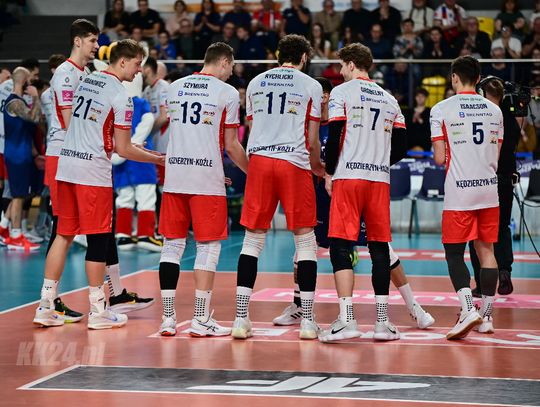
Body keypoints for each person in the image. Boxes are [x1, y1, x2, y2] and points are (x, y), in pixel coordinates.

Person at [274, 77, 434, 331]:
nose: (320, 100)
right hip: (321, 197)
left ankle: (414, 307)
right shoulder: (309, 126)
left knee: (384, 251)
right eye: (317, 96)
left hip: (350, 192)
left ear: (330, 97)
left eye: (324, 95)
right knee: (302, 251)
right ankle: (299, 306)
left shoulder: (346, 119)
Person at [35, 39, 164, 331]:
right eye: (137, 64)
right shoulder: (121, 96)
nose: (139, 71)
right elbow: (124, 148)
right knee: (97, 238)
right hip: (92, 172)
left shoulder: (87, 81)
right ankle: (98, 310)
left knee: (63, 235)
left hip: (66, 165)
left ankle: (45, 305)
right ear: (122, 61)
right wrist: (158, 159)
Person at [232, 34, 325, 340]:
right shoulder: (310, 85)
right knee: (305, 241)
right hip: (293, 162)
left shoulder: (256, 82)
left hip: (260, 160)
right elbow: (313, 140)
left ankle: (241, 319)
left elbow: (251, 127)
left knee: (252, 241)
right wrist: (318, 168)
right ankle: (308, 321)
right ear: (304, 58)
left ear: (277, 55)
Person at [158, 42, 249, 336]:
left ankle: (168, 318)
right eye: (231, 66)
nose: (231, 72)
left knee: (172, 245)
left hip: (175, 176)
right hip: (206, 180)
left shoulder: (175, 87)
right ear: (223, 62)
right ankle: (200, 318)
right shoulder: (227, 92)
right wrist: (253, 174)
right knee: (208, 247)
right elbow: (232, 145)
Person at [318, 43, 407, 343]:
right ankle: (382, 323)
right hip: (378, 179)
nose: (340, 71)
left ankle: (347, 320)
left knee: (340, 245)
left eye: (342, 66)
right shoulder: (390, 98)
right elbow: (402, 146)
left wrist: (330, 171)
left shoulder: (342, 92)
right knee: (379, 247)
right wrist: (378, 160)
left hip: (349, 176)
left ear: (352, 64)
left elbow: (335, 137)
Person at [430, 55, 503, 339]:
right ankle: (487, 317)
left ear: (454, 78)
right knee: (487, 251)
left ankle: (468, 309)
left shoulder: (441, 109)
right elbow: (496, 153)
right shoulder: (495, 110)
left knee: (453, 252)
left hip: (460, 191)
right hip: (489, 189)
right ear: (479, 78)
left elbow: (439, 158)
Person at [470, 78, 521, 297]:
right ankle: (504, 271)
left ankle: (482, 283)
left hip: (482, 179)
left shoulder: (480, 115)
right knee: (502, 228)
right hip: (506, 180)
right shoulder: (509, 118)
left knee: (477, 232)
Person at [2, 67, 42, 251]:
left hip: (22, 153)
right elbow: (34, 118)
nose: (31, 83)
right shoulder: (15, 103)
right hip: (17, 155)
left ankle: (4, 226)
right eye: (30, 80)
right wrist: (36, 97)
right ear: (24, 82)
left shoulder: (18, 101)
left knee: (20, 194)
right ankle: (16, 236)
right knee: (18, 196)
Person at [142, 56, 170, 196]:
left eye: (140, 66)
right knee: (155, 187)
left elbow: (165, 117)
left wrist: (146, 133)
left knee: (164, 187)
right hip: (153, 145)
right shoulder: (146, 90)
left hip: (164, 145)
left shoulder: (163, 87)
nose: (137, 70)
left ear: (147, 69)